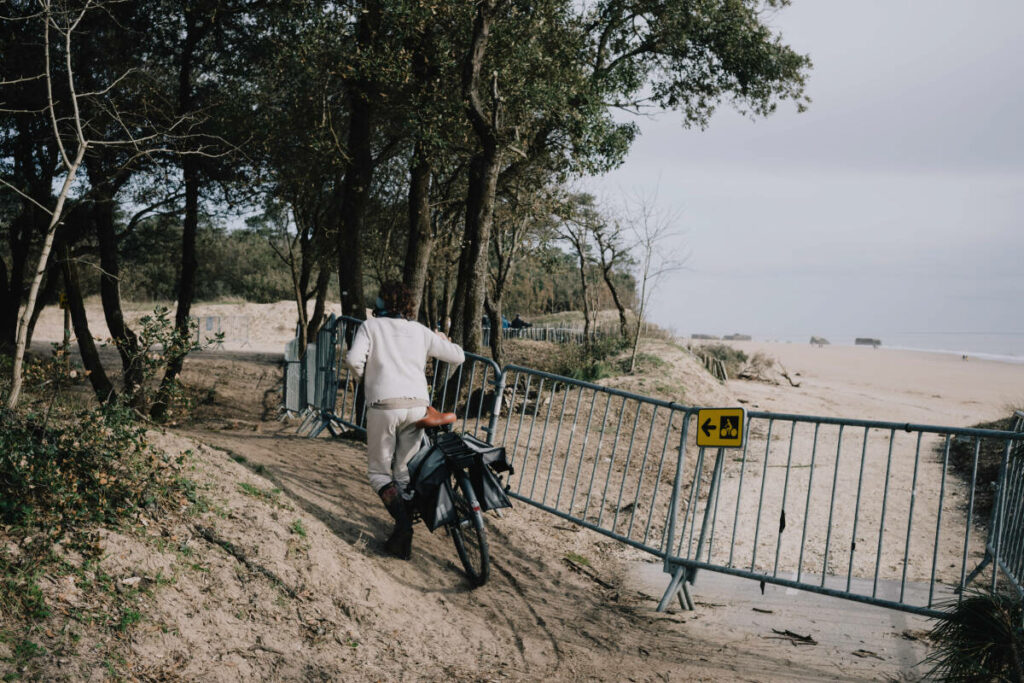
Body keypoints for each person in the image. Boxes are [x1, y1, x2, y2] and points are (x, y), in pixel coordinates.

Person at [344, 282, 465, 559]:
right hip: (417, 406)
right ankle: (404, 527)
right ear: (409, 305)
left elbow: (352, 359)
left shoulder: (370, 327)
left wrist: (367, 379)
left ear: (381, 303)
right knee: (402, 470)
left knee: (378, 472)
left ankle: (403, 527)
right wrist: (442, 340)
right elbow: (458, 356)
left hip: (384, 406)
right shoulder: (420, 331)